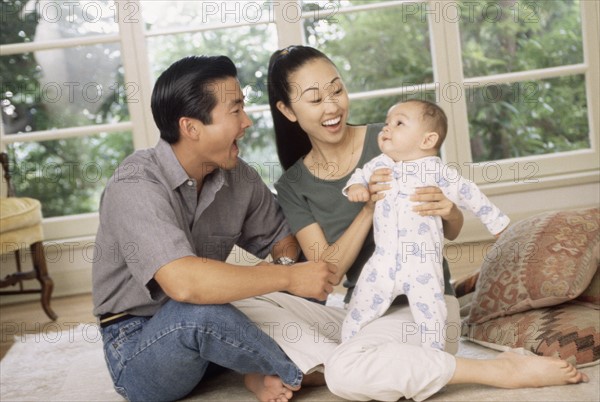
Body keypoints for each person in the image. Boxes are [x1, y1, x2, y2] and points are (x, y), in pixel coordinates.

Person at [234, 45, 587, 402]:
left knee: (345, 372)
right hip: (360, 307)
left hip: (421, 306)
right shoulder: (294, 183)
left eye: (337, 90)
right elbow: (329, 273)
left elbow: (450, 226)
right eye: (314, 99)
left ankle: (494, 370)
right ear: (287, 110)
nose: (332, 106)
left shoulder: (394, 136)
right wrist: (370, 208)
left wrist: (449, 209)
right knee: (244, 302)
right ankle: (348, 362)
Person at [91, 55, 339, 402]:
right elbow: (185, 284)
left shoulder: (238, 175)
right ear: (191, 128)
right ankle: (320, 368)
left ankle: (255, 368)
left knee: (264, 301)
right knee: (200, 311)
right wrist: (288, 278)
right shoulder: (135, 182)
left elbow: (283, 237)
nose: (247, 121)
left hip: (221, 321)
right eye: (235, 110)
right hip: (137, 341)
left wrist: (286, 272)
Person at [341, 99, 510, 349]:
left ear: (427, 141)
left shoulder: (438, 172)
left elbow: (471, 193)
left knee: (431, 314)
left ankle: (434, 355)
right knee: (360, 306)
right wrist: (355, 187)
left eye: (398, 123)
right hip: (383, 259)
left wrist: (498, 224)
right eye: (386, 123)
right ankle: (347, 346)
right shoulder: (380, 164)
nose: (386, 129)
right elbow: (359, 176)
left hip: (422, 262)